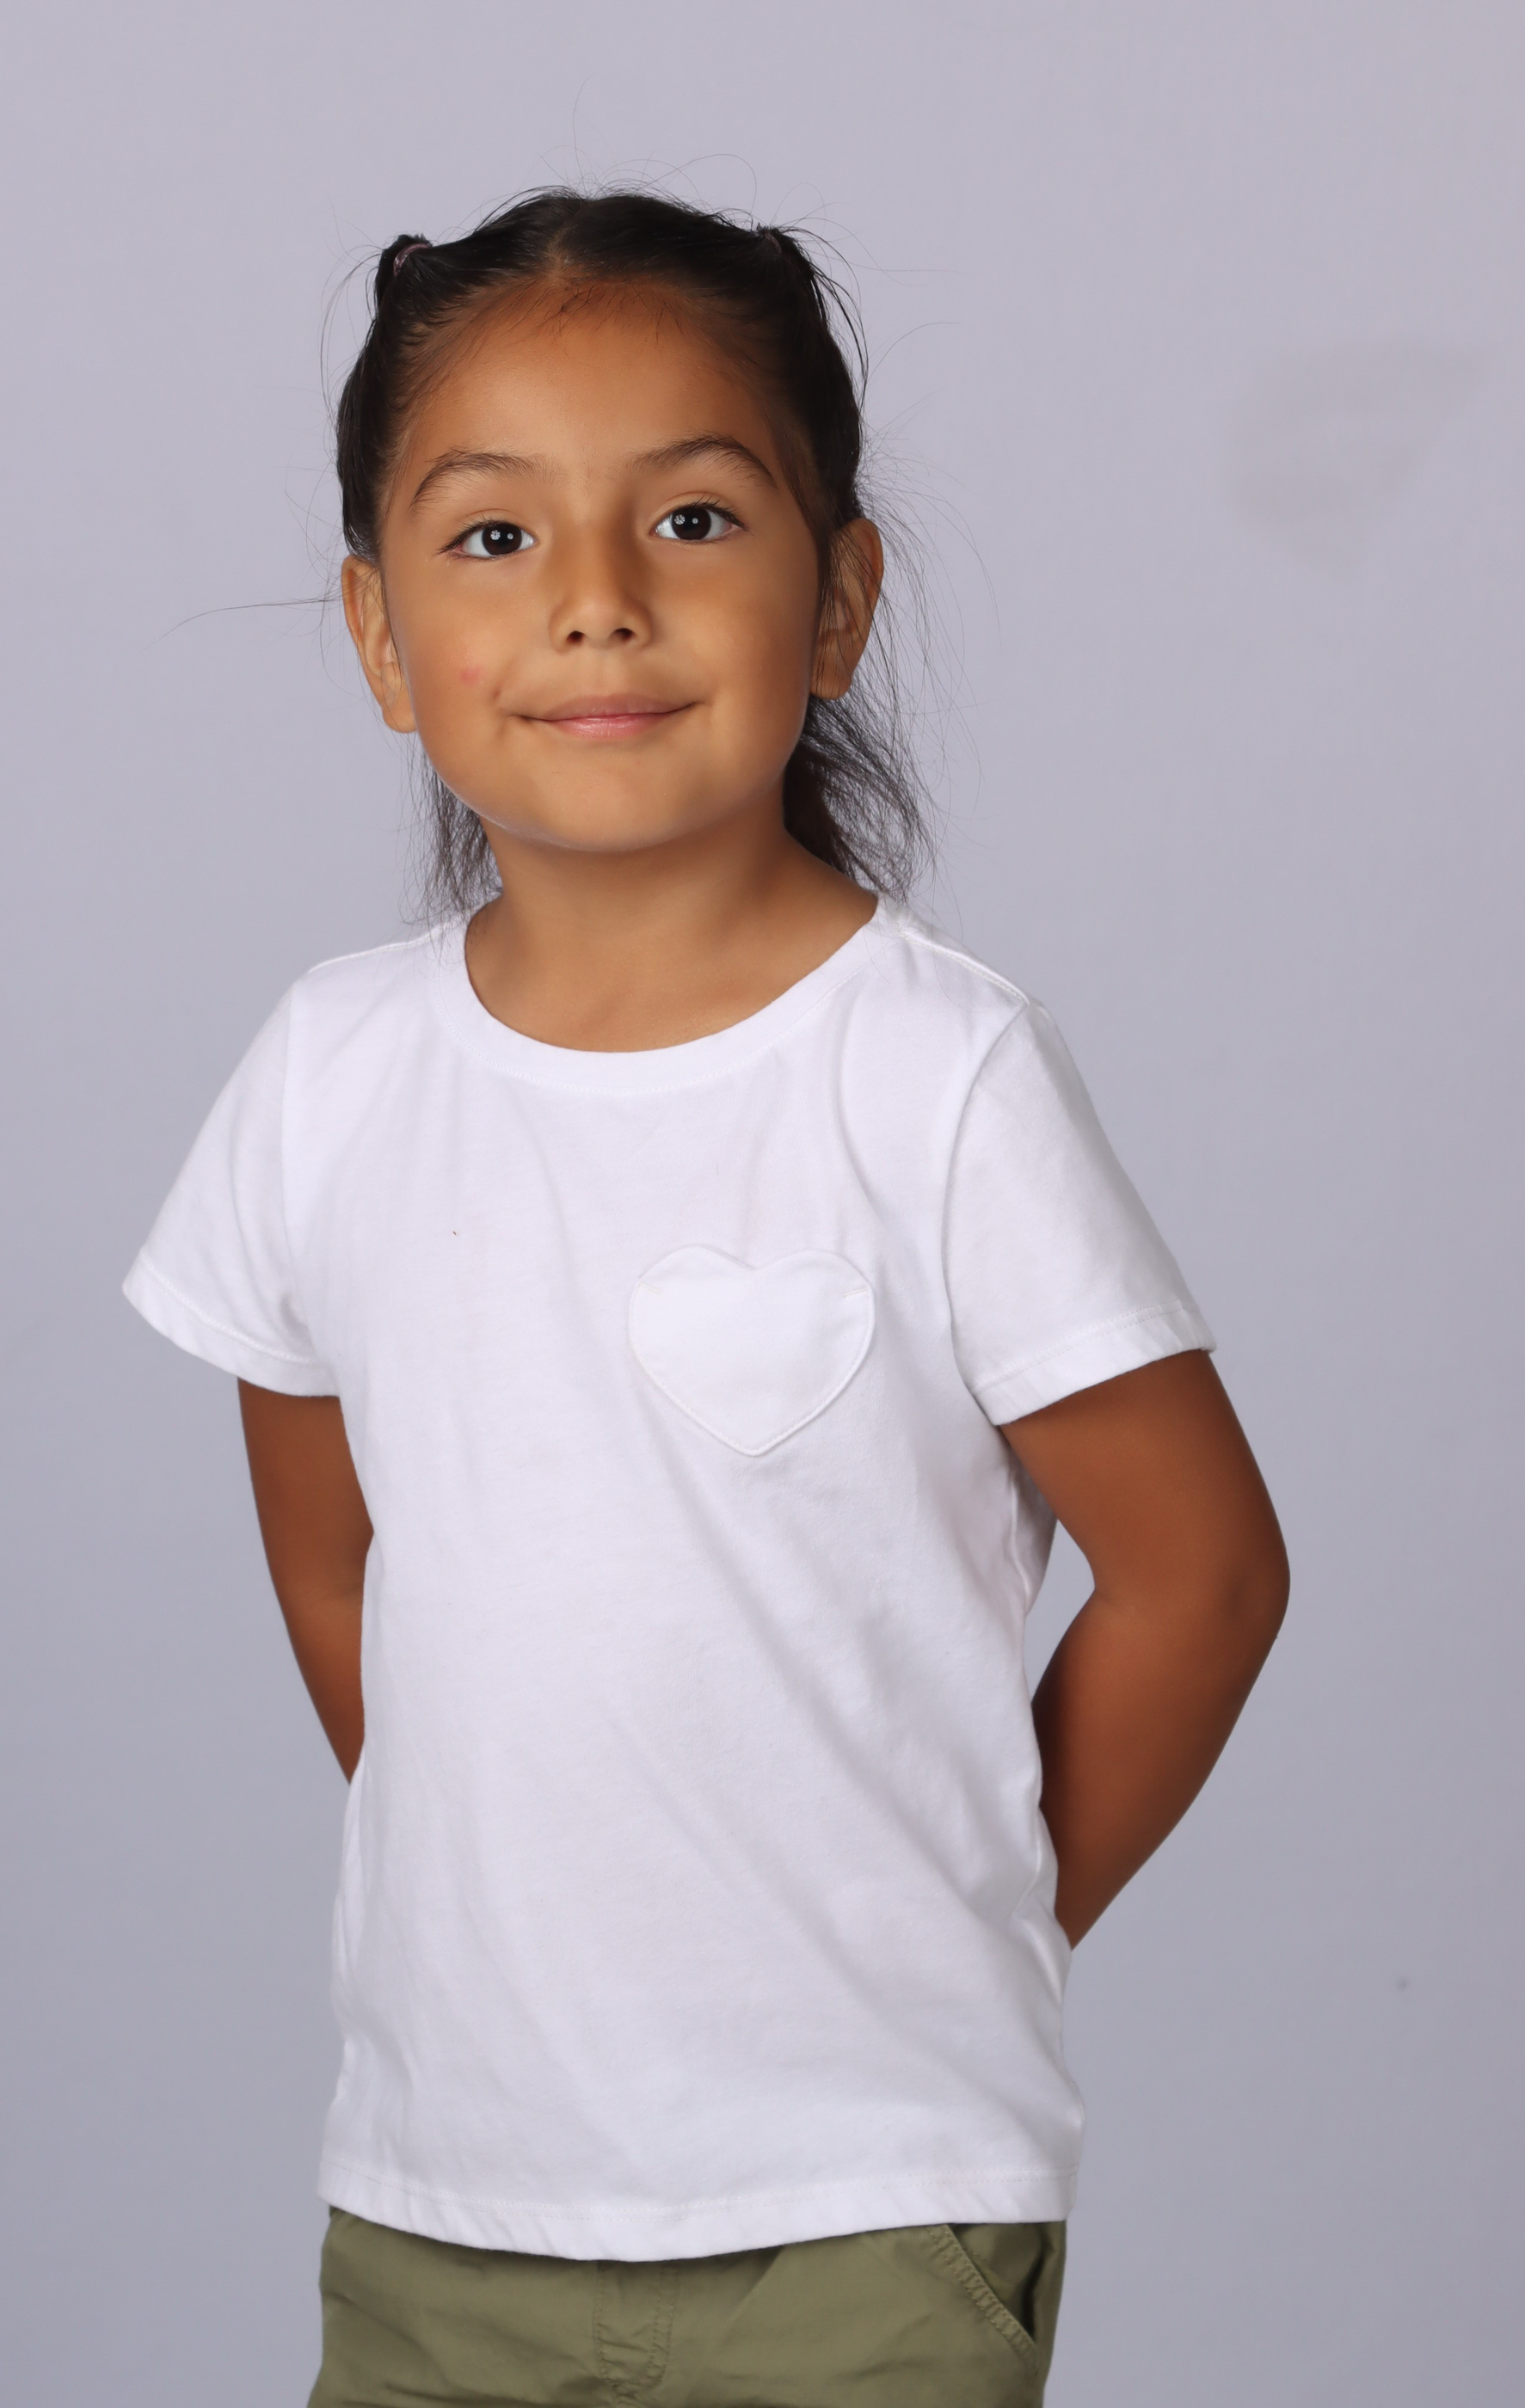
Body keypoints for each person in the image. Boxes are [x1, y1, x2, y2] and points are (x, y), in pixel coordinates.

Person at [122, 187, 1288, 2408]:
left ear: (839, 596)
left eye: (691, 517)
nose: (596, 599)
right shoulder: (329, 1078)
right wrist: (529, 1919)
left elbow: (1205, 1573)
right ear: (380, 635)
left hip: (867, 2215)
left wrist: (962, 1921)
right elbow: (340, 1564)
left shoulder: (938, 1078)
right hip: (447, 2197)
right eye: (494, 537)